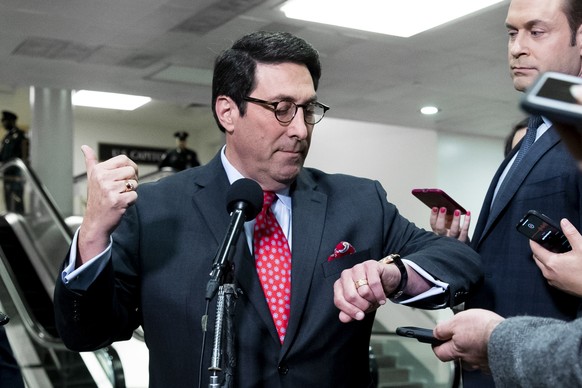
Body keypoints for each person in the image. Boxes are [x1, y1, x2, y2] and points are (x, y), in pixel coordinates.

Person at [53, 31, 481, 387]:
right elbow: (85, 332)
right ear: (227, 111)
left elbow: (460, 260)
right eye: (281, 109)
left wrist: (395, 274)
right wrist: (93, 235)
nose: (299, 129)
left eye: (308, 109)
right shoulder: (156, 209)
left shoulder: (358, 201)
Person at [430, 0, 582, 386]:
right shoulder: (528, 139)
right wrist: (468, 249)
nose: (517, 47)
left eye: (537, 31)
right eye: (512, 33)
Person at [0, 110, 29, 213]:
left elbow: (25, 154)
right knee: (8, 198)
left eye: (4, 120)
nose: (2, 123)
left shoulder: (20, 136)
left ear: (12, 121)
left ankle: (19, 219)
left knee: (17, 198)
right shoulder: (6, 137)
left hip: (16, 173)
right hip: (7, 173)